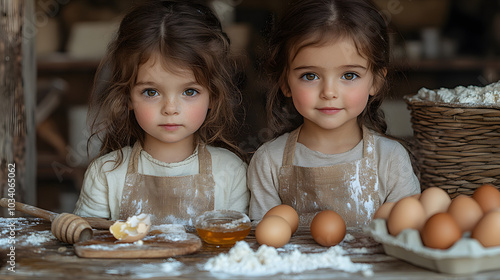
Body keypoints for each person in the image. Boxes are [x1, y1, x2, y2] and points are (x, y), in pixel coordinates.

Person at [74, 0, 249, 225]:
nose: (170, 109)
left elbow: (236, 249)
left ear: (213, 96)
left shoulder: (231, 172)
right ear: (128, 97)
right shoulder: (106, 174)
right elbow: (87, 240)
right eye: (151, 92)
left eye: (189, 91)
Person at [247, 0, 420, 227]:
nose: (329, 92)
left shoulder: (390, 159)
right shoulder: (269, 161)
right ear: (285, 82)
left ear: (376, 81)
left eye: (349, 75)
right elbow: (266, 239)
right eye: (310, 76)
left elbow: (408, 232)